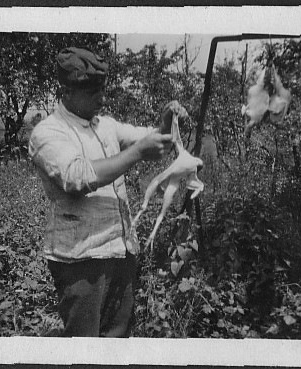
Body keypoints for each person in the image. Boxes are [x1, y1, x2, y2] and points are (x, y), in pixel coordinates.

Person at [28, 46, 187, 337]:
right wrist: (138, 152)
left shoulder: (106, 126)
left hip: (120, 251)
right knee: (85, 343)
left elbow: (148, 138)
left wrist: (167, 121)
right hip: (81, 259)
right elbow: (76, 177)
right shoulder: (48, 132)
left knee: (116, 338)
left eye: (102, 90)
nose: (101, 99)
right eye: (92, 93)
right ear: (66, 91)